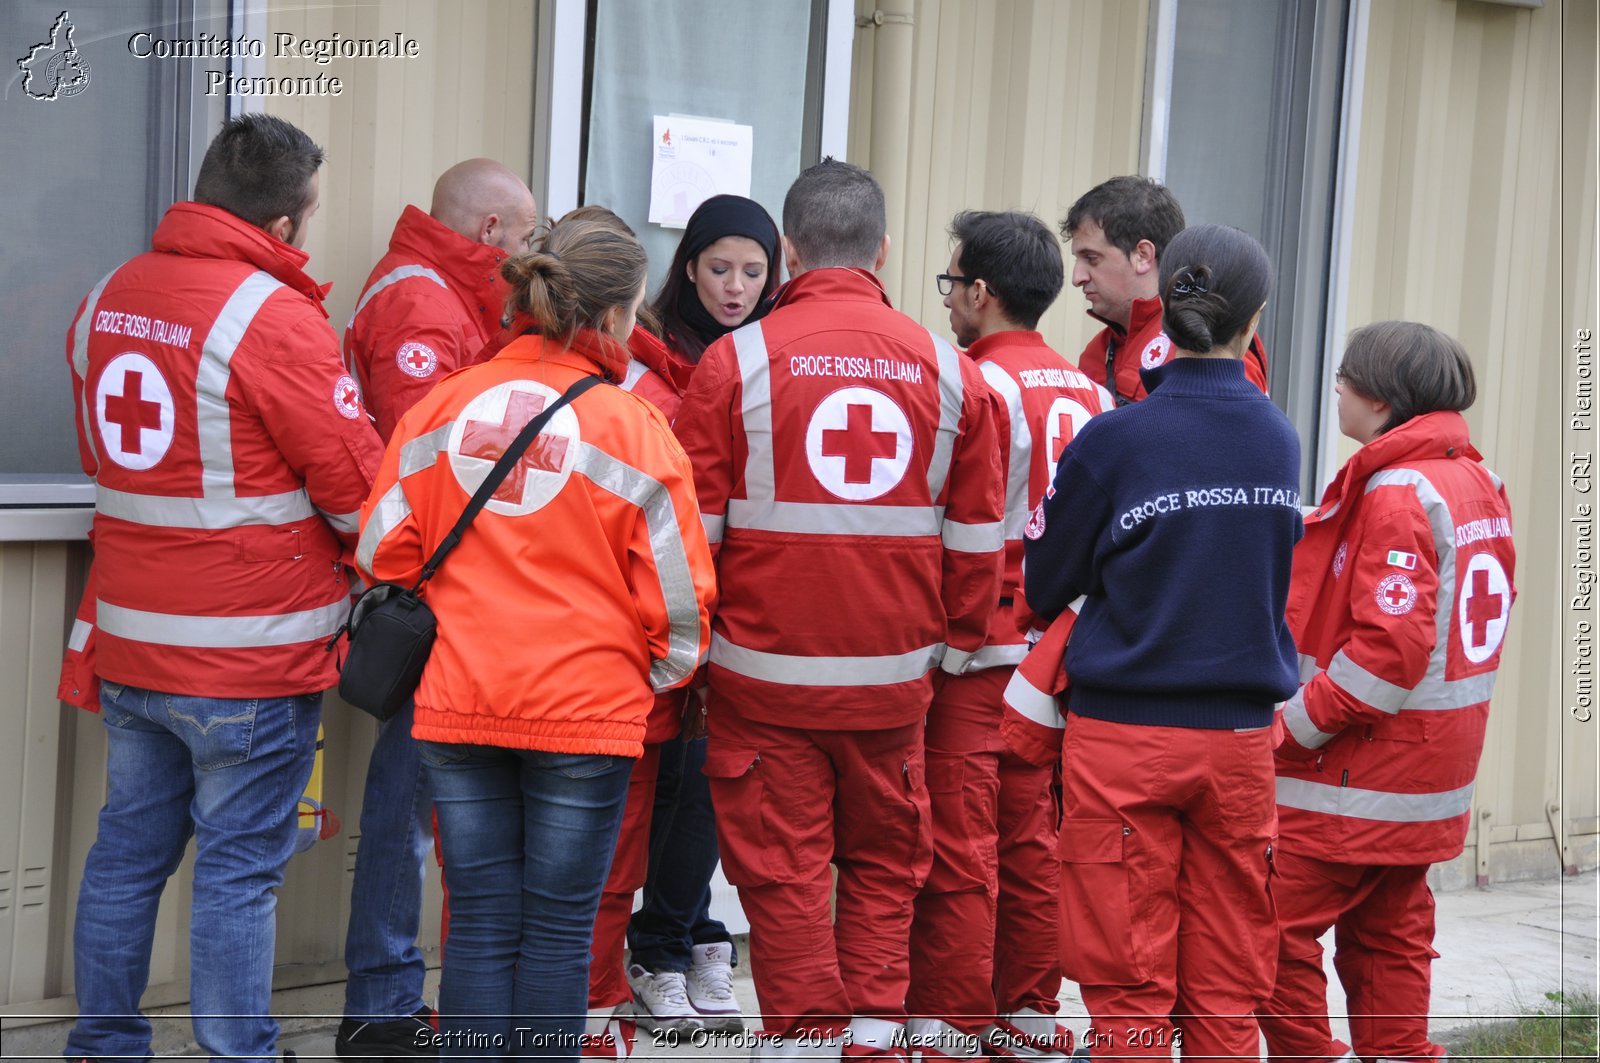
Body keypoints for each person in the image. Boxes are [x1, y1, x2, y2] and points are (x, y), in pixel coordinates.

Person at [62, 114, 381, 1063]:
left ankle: (105, 1045)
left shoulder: (107, 294)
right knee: (240, 870)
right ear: (284, 223)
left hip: (130, 640)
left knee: (124, 855)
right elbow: (355, 488)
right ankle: (238, 1053)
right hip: (249, 653)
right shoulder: (272, 316)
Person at [356, 217, 715, 1059]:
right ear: (623, 318)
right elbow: (683, 607)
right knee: (558, 931)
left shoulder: (443, 406)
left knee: (477, 924)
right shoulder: (635, 429)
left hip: (459, 702)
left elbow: (382, 551)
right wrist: (648, 675)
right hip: (585, 713)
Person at [673, 160, 1005, 1056]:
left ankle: (808, 1039)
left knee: (782, 879)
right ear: (884, 249)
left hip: (760, 685)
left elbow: (688, 542)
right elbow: (978, 546)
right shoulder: (950, 369)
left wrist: (693, 660)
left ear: (784, 251)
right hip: (896, 686)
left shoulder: (731, 363)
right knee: (884, 869)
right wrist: (949, 653)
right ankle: (871, 1038)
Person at [1023, 223, 1302, 1061]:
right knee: (1226, 979)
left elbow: (1045, 581)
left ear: (1163, 299)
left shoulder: (1116, 439)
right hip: (1244, 743)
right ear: (1257, 316)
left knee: (1128, 982)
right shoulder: (1278, 438)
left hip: (1126, 740)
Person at [1259, 322, 1516, 1063]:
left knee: (1265, 929)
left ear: (1381, 397)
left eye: (1345, 378)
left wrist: (1290, 728)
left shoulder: (1402, 488)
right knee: (1390, 938)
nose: (1334, 387)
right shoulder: (1478, 480)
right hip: (1428, 780)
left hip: (1357, 777)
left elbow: (1386, 655)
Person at [336, 157, 538, 1060]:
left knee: (421, 796)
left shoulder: (448, 296)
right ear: (491, 233)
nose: (530, 255)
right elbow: (430, 474)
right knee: (407, 800)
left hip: (439, 591)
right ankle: (379, 1006)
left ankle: (394, 998)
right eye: (526, 237)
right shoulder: (423, 305)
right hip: (430, 595)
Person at [906, 210, 1111, 1062]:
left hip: (979, 649)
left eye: (953, 284)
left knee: (959, 844)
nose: (950, 300)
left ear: (982, 294)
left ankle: (955, 1023)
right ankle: (1028, 1012)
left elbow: (950, 525)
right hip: (1059, 656)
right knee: (1034, 843)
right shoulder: (1096, 393)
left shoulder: (969, 385)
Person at [623, 194, 782, 1034]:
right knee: (671, 782)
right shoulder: (650, 358)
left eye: (754, 271)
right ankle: (661, 944)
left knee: (709, 784)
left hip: (742, 605)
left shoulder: (768, 355)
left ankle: (690, 930)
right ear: (688, 266)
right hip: (666, 599)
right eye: (719, 268)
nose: (736, 287)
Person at [1060, 175, 1270, 404]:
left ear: (1143, 255)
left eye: (1091, 259)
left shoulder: (1211, 336)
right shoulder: (1097, 352)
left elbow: (1236, 432)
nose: (1076, 278)